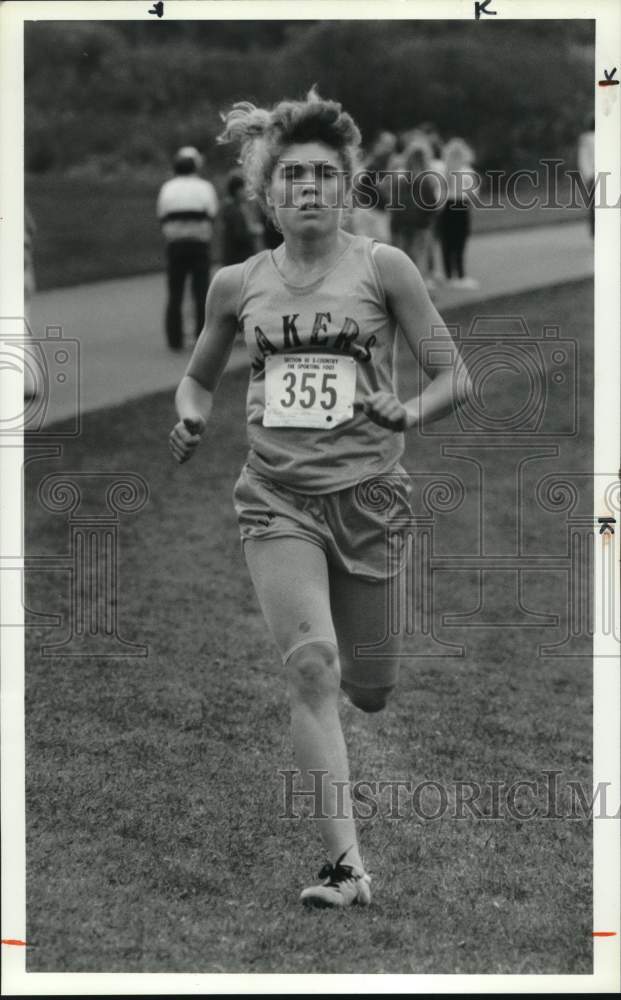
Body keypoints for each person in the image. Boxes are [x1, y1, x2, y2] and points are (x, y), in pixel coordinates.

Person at [169, 90, 472, 908]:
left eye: (324, 175)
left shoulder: (384, 267)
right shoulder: (236, 284)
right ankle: (346, 869)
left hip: (370, 498)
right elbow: (199, 377)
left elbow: (455, 376)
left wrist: (403, 410)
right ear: (268, 191)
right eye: (292, 174)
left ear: (348, 188)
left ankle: (360, 688)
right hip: (276, 500)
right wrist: (190, 418)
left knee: (367, 688)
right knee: (311, 668)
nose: (307, 186)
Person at [156, 146, 219, 350]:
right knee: (201, 292)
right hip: (199, 243)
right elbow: (212, 212)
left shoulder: (167, 188)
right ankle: (202, 336)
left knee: (175, 292)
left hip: (175, 244)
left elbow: (161, 215)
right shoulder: (205, 187)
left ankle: (175, 339)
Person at [387, 134, 442, 288]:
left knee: (404, 256)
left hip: (401, 222)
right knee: (419, 256)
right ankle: (418, 288)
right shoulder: (426, 180)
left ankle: (403, 287)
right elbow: (431, 204)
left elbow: (393, 203)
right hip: (420, 223)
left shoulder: (400, 177)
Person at [438, 137, 479, 288]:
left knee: (447, 241)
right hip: (461, 205)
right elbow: (473, 194)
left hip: (446, 207)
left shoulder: (443, 170)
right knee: (460, 241)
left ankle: (449, 275)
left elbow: (439, 193)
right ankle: (460, 274)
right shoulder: (467, 172)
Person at [220, 171, 262, 266]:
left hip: (238, 257)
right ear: (237, 191)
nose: (247, 192)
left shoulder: (239, 207)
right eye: (244, 188)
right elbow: (240, 234)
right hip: (238, 257)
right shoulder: (233, 210)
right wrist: (254, 231)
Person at [577, 115, 595, 238]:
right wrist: (588, 176)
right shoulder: (586, 138)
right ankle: (594, 232)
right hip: (594, 176)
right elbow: (583, 159)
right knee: (594, 206)